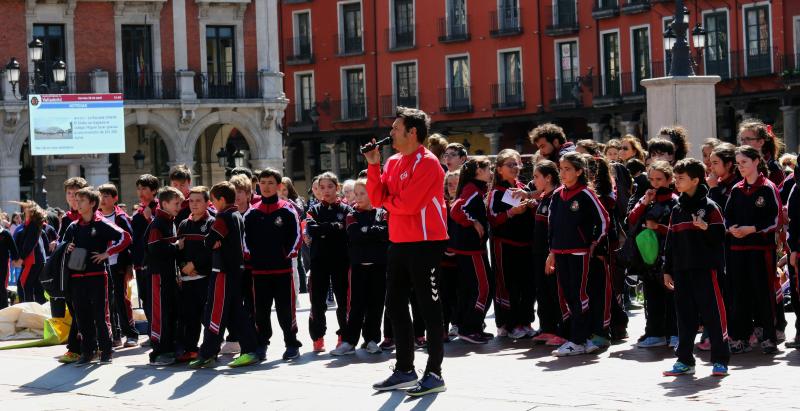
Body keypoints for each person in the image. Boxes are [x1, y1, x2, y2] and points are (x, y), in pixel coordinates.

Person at [366, 107, 448, 396]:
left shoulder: (428, 163)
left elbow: (409, 205)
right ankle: (404, 369)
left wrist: (391, 202)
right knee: (396, 305)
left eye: (395, 129)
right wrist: (374, 165)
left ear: (413, 132)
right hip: (399, 241)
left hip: (426, 242)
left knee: (429, 307)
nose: (390, 134)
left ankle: (435, 373)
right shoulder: (392, 162)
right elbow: (378, 198)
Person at [661, 158, 730, 377]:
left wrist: (706, 228)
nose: (676, 181)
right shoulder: (677, 210)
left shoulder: (710, 207)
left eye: (681, 178)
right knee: (685, 318)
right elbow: (670, 242)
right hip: (682, 271)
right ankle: (684, 361)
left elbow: (722, 236)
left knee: (713, 315)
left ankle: (720, 360)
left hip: (706, 270)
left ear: (695, 180)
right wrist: (667, 269)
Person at [190, 181, 261, 369]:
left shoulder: (223, 217)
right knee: (235, 312)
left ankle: (208, 352)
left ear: (221, 200)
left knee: (214, 311)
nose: (212, 205)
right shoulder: (237, 214)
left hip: (222, 271)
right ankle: (250, 349)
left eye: (213, 200)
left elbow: (209, 241)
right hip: (235, 270)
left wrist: (213, 241)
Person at [546, 152, 609, 357]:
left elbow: (603, 220)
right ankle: (582, 338)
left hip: (579, 252)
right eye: (561, 169)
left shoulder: (586, 194)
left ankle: (578, 339)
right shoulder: (557, 195)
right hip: (560, 252)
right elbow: (552, 225)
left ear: (579, 171)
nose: (563, 173)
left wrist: (593, 243)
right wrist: (552, 252)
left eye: (568, 169)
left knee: (579, 294)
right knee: (567, 294)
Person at [61, 187, 131, 365]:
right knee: (82, 316)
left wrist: (108, 253)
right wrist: (66, 247)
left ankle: (106, 351)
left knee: (101, 316)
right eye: (76, 200)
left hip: (98, 276)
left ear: (92, 203)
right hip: (76, 279)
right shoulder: (73, 226)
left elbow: (125, 237)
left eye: (81, 200)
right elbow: (62, 245)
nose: (77, 203)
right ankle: (87, 351)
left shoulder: (101, 224)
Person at [724, 146, 782, 355]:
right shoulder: (736, 189)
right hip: (737, 249)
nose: (740, 167)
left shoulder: (768, 187)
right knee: (739, 294)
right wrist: (731, 228)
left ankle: (768, 336)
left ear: (756, 161)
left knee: (762, 293)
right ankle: (740, 337)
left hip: (760, 249)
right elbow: (727, 215)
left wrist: (753, 229)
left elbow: (776, 219)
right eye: (738, 163)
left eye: (744, 163)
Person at [244, 169, 303, 361]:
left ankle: (291, 343)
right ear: (258, 185)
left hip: (283, 270)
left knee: (286, 309)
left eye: (271, 183)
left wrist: (288, 254)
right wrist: (251, 256)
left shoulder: (287, 209)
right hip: (259, 271)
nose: (266, 186)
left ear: (278, 186)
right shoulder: (251, 213)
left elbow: (296, 236)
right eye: (263, 182)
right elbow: (245, 239)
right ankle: (262, 344)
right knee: (260, 310)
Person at [332, 179, 389, 355]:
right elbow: (354, 234)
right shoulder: (352, 214)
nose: (358, 197)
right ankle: (349, 341)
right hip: (358, 266)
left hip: (379, 266)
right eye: (356, 194)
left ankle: (372, 339)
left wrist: (367, 230)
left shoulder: (383, 213)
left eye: (362, 193)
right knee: (356, 305)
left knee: (376, 304)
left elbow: (386, 232)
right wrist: (372, 231)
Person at [628, 161, 679, 349]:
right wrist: (644, 202)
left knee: (671, 296)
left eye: (660, 179)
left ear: (669, 179)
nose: (655, 183)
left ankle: (675, 333)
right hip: (647, 255)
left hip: (667, 255)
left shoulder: (675, 200)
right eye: (652, 179)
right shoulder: (647, 198)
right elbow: (632, 220)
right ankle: (655, 332)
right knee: (651, 296)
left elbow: (679, 230)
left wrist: (659, 228)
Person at [487, 149, 535, 339]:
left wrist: (531, 205)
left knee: (528, 285)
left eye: (517, 164)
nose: (515, 168)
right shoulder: (496, 193)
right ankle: (508, 323)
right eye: (510, 164)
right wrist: (511, 213)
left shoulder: (523, 188)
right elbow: (491, 218)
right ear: (499, 169)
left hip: (526, 243)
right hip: (505, 245)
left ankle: (526, 322)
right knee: (508, 285)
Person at [305, 172, 352, 352]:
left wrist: (325, 230)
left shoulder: (346, 209)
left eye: (330, 187)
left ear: (337, 188)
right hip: (319, 261)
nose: (325, 191)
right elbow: (312, 230)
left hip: (341, 260)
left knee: (342, 299)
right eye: (321, 187)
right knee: (317, 301)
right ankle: (318, 337)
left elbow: (347, 230)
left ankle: (344, 336)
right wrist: (334, 227)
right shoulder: (314, 210)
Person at [450, 157, 494, 344]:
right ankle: (469, 328)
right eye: (488, 169)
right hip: (471, 250)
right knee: (483, 288)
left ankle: (472, 326)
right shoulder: (472, 190)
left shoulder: (476, 189)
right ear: (478, 172)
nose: (491, 172)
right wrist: (473, 221)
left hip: (473, 249)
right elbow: (456, 209)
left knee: (475, 288)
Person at [145, 187, 184, 366]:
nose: (179, 206)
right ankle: (158, 351)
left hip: (169, 275)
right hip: (158, 276)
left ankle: (170, 346)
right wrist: (176, 246)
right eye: (176, 203)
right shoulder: (158, 223)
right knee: (160, 313)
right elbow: (155, 249)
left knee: (172, 311)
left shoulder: (170, 221)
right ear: (165, 203)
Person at [175, 186, 214, 363]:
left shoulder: (212, 223)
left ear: (207, 203)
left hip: (205, 278)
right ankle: (190, 349)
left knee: (207, 317)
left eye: (199, 201)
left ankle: (211, 350)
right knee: (189, 317)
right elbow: (180, 250)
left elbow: (211, 251)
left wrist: (196, 266)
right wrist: (184, 267)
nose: (194, 204)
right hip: (187, 279)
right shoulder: (183, 224)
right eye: (191, 201)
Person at [529, 160, 566, 346]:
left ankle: (561, 329)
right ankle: (547, 327)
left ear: (548, 177)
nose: (533, 181)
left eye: (536, 176)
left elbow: (556, 228)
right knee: (542, 290)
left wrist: (552, 252)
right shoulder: (544, 196)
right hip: (538, 252)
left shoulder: (556, 197)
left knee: (554, 290)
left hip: (550, 253)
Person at [97, 183, 138, 348]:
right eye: (101, 196)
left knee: (121, 300)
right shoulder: (96, 217)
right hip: (101, 265)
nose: (103, 199)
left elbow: (130, 242)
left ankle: (131, 334)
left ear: (115, 199)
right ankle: (115, 335)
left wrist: (130, 266)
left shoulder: (121, 218)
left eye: (107, 196)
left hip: (118, 265)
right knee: (107, 301)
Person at [131, 174, 160, 335]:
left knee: (153, 298)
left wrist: (150, 218)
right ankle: (151, 329)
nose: (141, 192)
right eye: (139, 189)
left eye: (145, 189)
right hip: (139, 262)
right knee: (144, 297)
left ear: (154, 190)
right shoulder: (138, 211)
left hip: (152, 262)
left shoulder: (159, 209)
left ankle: (156, 331)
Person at [14, 201, 47, 304]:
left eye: (26, 208)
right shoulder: (32, 224)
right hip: (37, 260)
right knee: (37, 287)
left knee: (23, 284)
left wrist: (21, 258)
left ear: (31, 211)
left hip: (31, 260)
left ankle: (27, 312)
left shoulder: (32, 225)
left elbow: (29, 244)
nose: (24, 210)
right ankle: (38, 311)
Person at [739, 119, 785, 187]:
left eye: (748, 139)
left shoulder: (773, 167)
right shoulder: (738, 165)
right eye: (742, 139)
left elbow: (779, 194)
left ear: (761, 142)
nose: (743, 143)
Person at [0, 221, 19, 309]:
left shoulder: (5, 233)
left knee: (1, 287)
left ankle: (3, 309)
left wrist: (15, 259)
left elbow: (13, 248)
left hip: (3, 265)